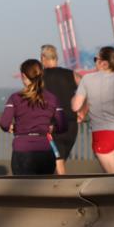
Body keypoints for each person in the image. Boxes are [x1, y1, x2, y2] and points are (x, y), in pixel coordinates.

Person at [0, 59, 67, 176]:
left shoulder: (15, 98)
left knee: (23, 191)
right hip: (45, 150)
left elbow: (4, 123)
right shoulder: (52, 98)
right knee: (44, 190)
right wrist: (52, 128)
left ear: (23, 76)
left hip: (22, 150)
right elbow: (63, 125)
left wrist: (12, 127)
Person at [40, 44, 80, 174]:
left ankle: (62, 190)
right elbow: (87, 89)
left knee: (58, 161)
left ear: (43, 58)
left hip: (52, 125)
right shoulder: (72, 74)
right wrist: (83, 111)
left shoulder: (40, 78)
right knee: (59, 159)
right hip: (71, 125)